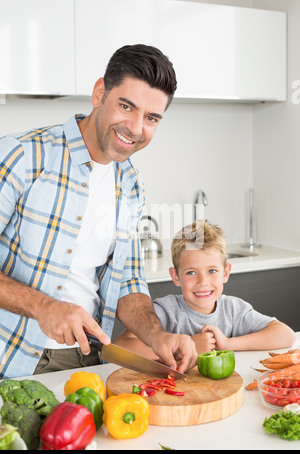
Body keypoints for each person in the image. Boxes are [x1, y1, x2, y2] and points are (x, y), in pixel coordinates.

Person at [0, 44, 197, 379]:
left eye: (151, 118)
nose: (136, 128)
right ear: (99, 93)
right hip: (14, 357)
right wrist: (43, 306)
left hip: (91, 360)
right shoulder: (23, 155)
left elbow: (127, 281)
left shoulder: (131, 183)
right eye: (126, 106)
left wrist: (156, 335)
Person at [114, 220, 296, 357]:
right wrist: (186, 347)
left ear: (226, 273)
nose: (203, 281)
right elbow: (119, 348)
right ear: (175, 276)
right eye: (191, 273)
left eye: (212, 271)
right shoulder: (165, 311)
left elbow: (286, 335)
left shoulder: (234, 310)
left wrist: (227, 343)